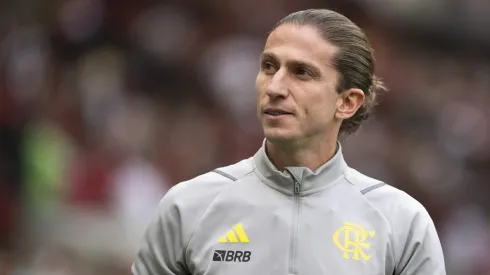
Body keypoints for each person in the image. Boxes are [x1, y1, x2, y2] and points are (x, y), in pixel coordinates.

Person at [132, 9, 446, 275]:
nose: (275, 87)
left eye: (301, 72)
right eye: (269, 67)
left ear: (347, 102)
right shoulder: (188, 206)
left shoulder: (401, 221)